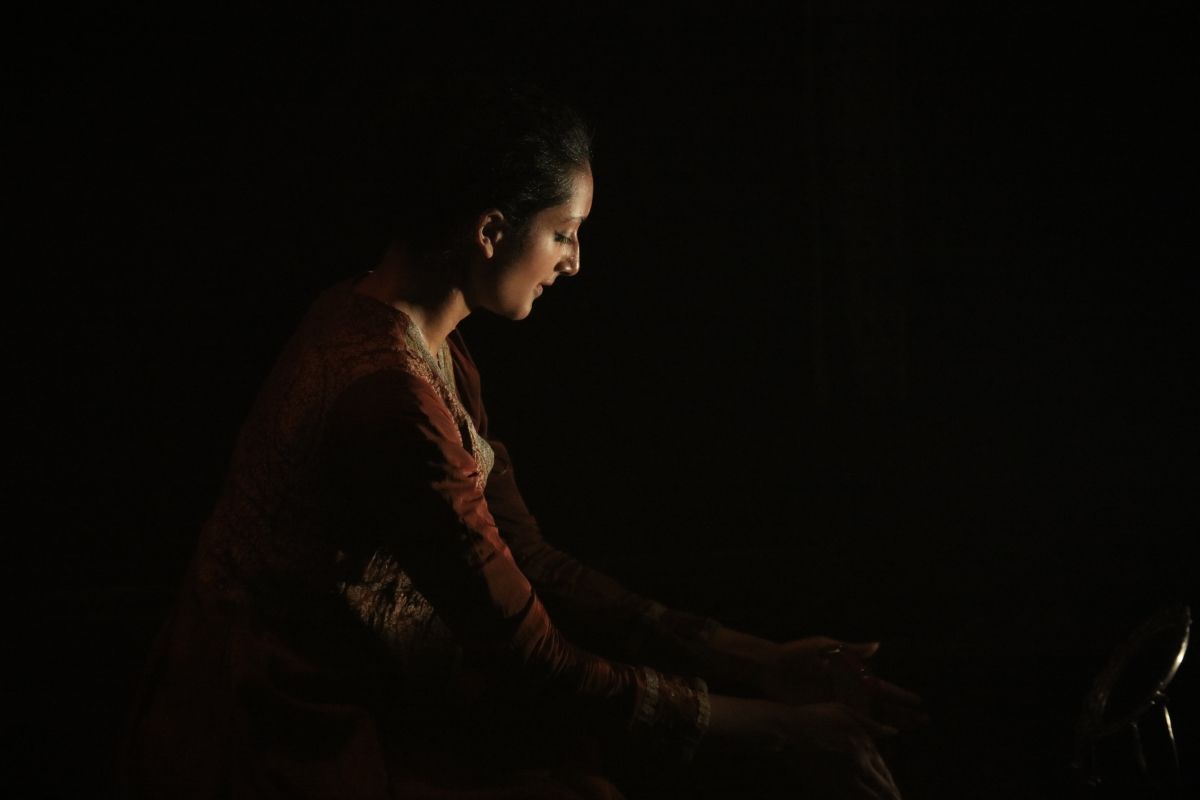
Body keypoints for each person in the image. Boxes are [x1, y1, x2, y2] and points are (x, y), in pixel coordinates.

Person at [121, 75, 925, 799]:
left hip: (344, 695)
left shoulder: (412, 336)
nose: (574, 262)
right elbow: (530, 656)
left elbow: (528, 558)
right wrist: (782, 728)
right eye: (565, 232)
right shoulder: (389, 399)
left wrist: (760, 660)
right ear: (491, 230)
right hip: (279, 731)